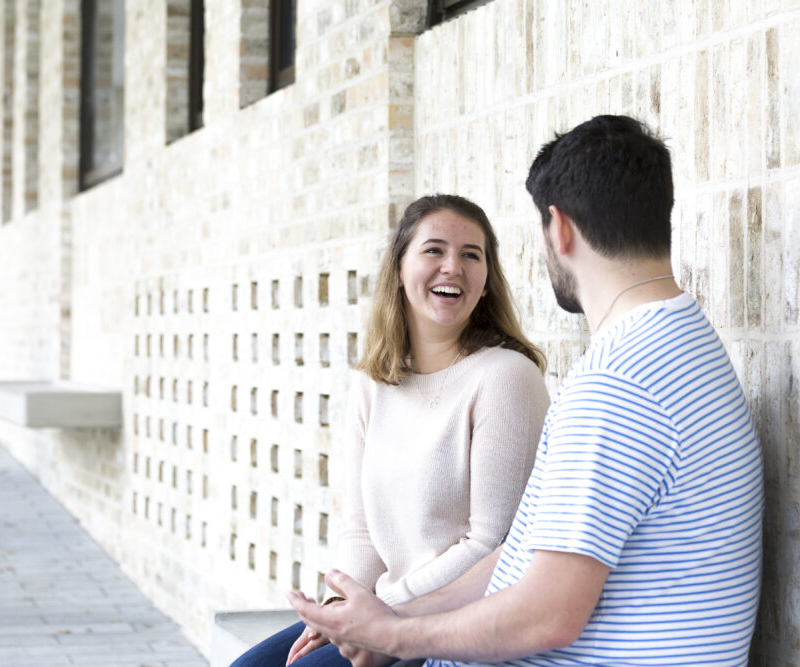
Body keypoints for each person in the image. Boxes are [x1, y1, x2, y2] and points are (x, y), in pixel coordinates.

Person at [287, 115, 765, 666]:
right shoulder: (679, 344)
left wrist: (394, 639)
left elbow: (549, 614)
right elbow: (520, 556)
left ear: (559, 229)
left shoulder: (617, 386)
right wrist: (392, 620)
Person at [231, 194, 551, 667]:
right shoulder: (372, 383)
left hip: (447, 624)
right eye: (434, 250)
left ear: (486, 283)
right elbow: (361, 530)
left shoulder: (505, 377)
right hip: (382, 609)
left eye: (471, 255)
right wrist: (339, 605)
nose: (453, 267)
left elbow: (492, 544)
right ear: (399, 270)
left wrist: (382, 613)